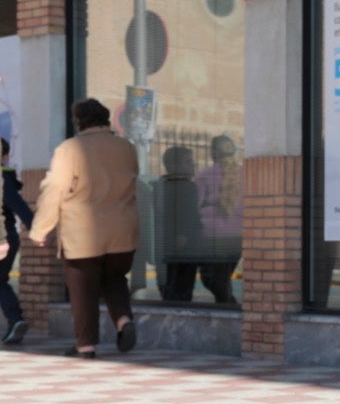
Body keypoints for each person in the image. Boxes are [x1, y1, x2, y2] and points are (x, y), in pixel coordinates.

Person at [29, 97, 141, 358]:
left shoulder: (70, 149)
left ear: (78, 121)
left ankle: (86, 345)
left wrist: (40, 229)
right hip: (122, 230)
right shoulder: (126, 147)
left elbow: (54, 188)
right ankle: (124, 321)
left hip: (83, 233)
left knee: (82, 288)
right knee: (114, 279)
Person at [194, 133, 242, 305]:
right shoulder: (245, 175)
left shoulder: (205, 175)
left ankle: (229, 306)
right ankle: (228, 306)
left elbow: (195, 206)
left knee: (211, 278)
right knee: (223, 279)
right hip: (238, 237)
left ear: (213, 153)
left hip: (213, 237)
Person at [156, 145, 203, 303]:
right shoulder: (186, 187)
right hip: (183, 246)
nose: (193, 165)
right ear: (174, 166)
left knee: (172, 285)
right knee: (180, 286)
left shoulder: (162, 185)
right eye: (188, 161)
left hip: (173, 245)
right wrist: (182, 235)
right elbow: (187, 215)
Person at [1, 137, 36, 345]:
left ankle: (15, 320)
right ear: (5, 157)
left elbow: (19, 206)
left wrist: (36, 229)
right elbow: (19, 207)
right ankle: (15, 320)